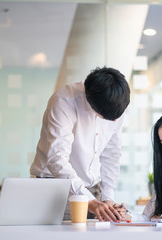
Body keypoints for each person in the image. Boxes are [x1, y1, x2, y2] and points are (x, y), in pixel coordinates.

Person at [30, 67, 130, 222]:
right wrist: (88, 200)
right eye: (107, 118)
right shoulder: (64, 101)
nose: (115, 121)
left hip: (93, 189)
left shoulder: (116, 103)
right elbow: (57, 159)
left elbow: (111, 154)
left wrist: (107, 198)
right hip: (57, 187)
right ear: (90, 102)